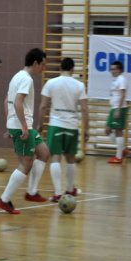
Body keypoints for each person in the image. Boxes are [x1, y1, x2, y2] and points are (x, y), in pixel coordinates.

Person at [0, 48, 50, 214]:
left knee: (44, 153)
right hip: (22, 126)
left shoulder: (16, 77)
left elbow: (7, 101)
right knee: (25, 165)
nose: (43, 69)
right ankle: (4, 200)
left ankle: (31, 192)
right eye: (42, 65)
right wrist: (23, 127)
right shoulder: (26, 79)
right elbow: (17, 102)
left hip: (19, 124)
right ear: (35, 63)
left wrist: (10, 123)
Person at [36, 57, 89, 202]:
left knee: (55, 157)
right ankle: (70, 189)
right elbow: (84, 108)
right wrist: (87, 128)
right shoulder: (79, 85)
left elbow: (42, 106)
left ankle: (58, 193)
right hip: (72, 125)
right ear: (72, 69)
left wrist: (40, 124)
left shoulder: (51, 83)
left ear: (60, 68)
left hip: (56, 124)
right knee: (71, 158)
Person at [105, 60, 129, 164]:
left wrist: (118, 110)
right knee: (107, 130)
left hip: (119, 108)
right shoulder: (115, 80)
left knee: (118, 132)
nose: (112, 71)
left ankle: (118, 157)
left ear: (119, 70)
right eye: (111, 69)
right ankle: (123, 148)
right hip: (113, 108)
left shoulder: (121, 79)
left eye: (114, 69)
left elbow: (123, 95)